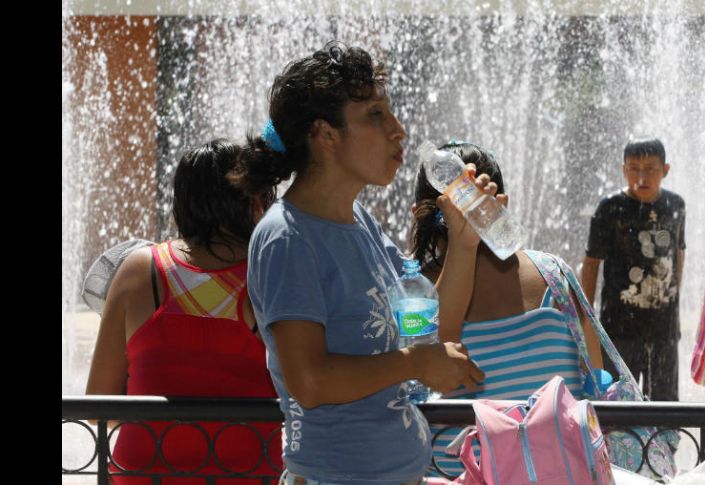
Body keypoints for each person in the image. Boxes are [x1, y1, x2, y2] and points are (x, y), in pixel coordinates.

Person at [228, 42, 486, 485]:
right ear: (326, 135)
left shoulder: (359, 221)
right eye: (375, 115)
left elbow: (426, 332)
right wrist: (414, 363)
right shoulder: (287, 239)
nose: (399, 130)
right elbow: (310, 382)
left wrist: (464, 244)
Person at [85, 139, 282, 484]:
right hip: (246, 473)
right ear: (251, 200)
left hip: (145, 474)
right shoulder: (268, 274)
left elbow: (98, 407)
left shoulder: (137, 270)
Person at [410, 141, 604, 477]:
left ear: (419, 214)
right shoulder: (554, 276)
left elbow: (404, 374)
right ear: (502, 205)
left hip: (450, 474)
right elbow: (596, 378)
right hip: (559, 474)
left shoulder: (412, 293)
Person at [580, 137, 686, 401]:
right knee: (618, 406)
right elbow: (592, 264)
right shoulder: (610, 208)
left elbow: (679, 252)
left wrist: (673, 301)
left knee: (664, 405)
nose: (642, 176)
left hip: (663, 329)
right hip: (619, 328)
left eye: (650, 168)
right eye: (634, 168)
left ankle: (664, 444)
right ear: (624, 169)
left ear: (665, 170)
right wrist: (585, 318)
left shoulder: (675, 206)